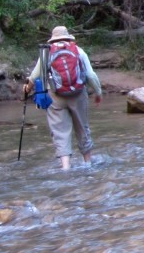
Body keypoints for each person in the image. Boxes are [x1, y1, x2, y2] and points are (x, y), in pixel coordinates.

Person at [24, 26, 104, 171]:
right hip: (78, 94)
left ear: (53, 39)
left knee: (60, 131)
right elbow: (91, 75)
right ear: (68, 37)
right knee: (82, 127)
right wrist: (98, 93)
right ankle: (88, 163)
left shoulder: (47, 52)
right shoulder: (78, 51)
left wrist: (27, 88)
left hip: (55, 96)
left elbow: (35, 74)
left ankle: (65, 168)